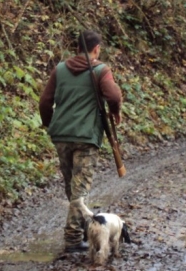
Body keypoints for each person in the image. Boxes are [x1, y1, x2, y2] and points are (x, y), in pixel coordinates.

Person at [39, 30, 123, 253]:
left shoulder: (59, 70)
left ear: (77, 48)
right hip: (85, 137)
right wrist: (115, 111)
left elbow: (45, 102)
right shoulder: (100, 70)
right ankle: (73, 238)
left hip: (62, 136)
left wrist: (51, 124)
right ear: (96, 49)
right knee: (80, 189)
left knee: (71, 186)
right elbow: (113, 96)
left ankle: (79, 228)